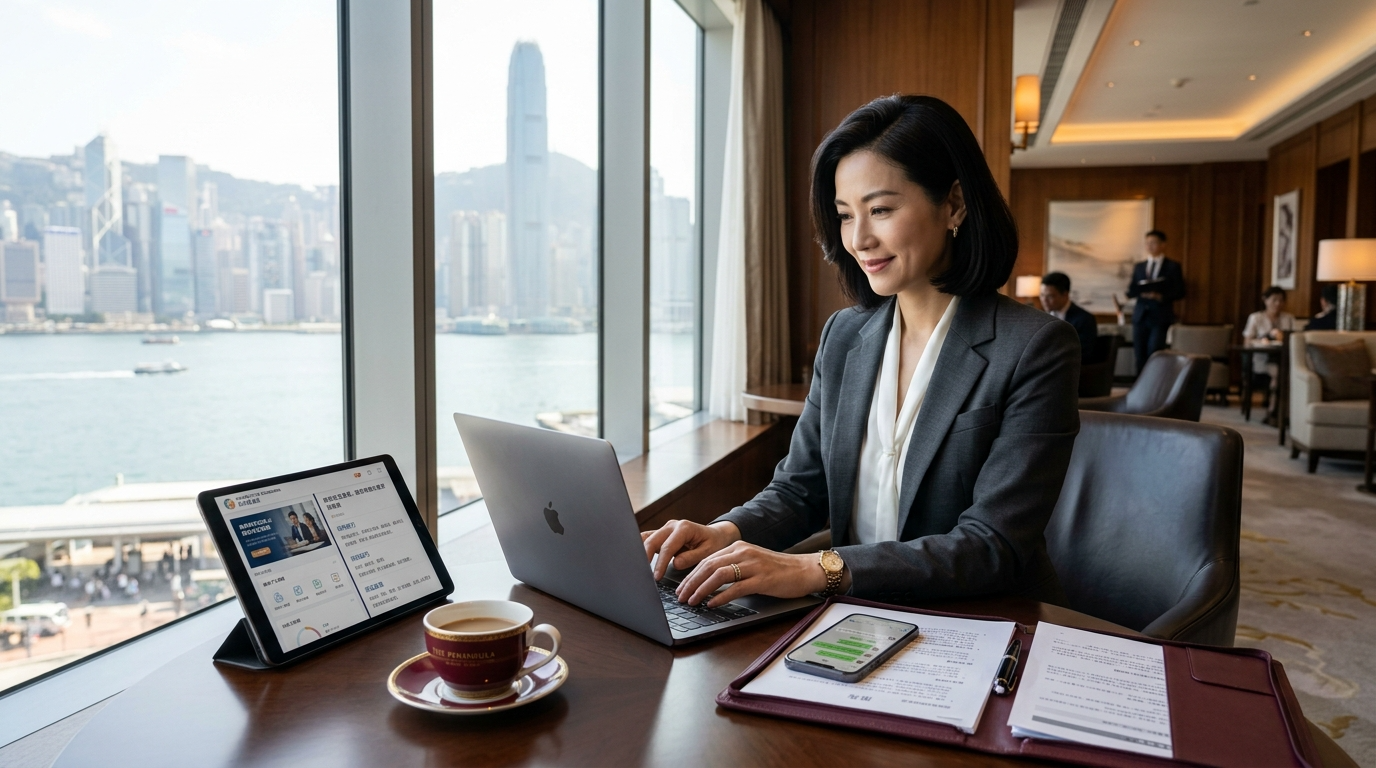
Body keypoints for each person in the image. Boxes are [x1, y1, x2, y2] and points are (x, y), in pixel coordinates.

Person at [641, 95, 1079, 609]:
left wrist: (816, 568)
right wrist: (726, 531)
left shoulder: (1034, 347)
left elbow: (992, 545)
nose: (859, 238)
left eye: (881, 210)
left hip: (980, 620)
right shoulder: (845, 336)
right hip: (857, 613)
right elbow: (801, 491)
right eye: (846, 215)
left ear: (954, 204)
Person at [1125, 229, 1185, 374]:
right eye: (1147, 243)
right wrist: (1139, 291)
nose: (1150, 246)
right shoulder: (1139, 266)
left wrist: (1160, 296)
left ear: (1163, 245)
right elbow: (1131, 290)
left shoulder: (1172, 266)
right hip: (1140, 315)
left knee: (1155, 352)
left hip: (1160, 316)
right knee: (1139, 354)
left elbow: (1180, 291)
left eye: (1153, 243)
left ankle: (1154, 389)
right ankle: (1139, 391)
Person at [1242, 286, 1295, 425]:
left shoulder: (1288, 318)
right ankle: (1273, 411)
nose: (1278, 304)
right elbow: (1247, 341)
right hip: (1261, 359)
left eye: (1281, 300)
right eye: (1274, 300)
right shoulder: (1256, 318)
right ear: (1265, 300)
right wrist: (1264, 339)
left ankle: (1283, 412)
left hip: (1283, 358)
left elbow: (1295, 338)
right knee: (1279, 373)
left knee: (1285, 372)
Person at [1039, 272, 1098, 362]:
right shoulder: (1041, 317)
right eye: (1042, 295)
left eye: (1050, 296)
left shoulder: (1084, 319)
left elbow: (1085, 352)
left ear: (1065, 295)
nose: (1044, 300)